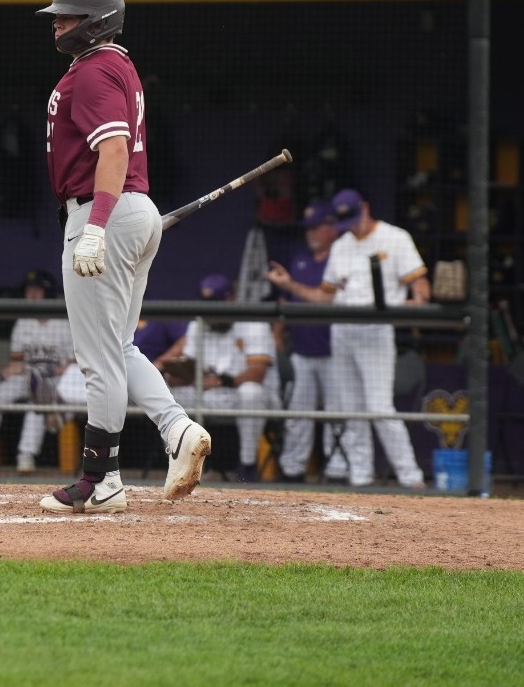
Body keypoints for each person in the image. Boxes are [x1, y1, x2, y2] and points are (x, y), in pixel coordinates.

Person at [34, 0, 211, 514]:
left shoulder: (92, 72)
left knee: (98, 359)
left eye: (68, 16)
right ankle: (177, 429)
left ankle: (100, 479)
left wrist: (96, 226)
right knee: (119, 349)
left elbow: (112, 149)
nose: (58, 23)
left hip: (104, 210)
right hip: (131, 210)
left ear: (95, 22)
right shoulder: (117, 65)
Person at [266, 187, 429, 488]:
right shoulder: (342, 245)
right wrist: (290, 285)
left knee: (379, 408)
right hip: (343, 331)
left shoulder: (396, 237)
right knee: (351, 409)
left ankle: (411, 477)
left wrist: (411, 303)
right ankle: (361, 476)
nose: (350, 227)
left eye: (353, 219)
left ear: (365, 208)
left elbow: (421, 288)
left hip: (376, 330)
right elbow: (324, 297)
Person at [0, 268, 76, 475]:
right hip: (27, 377)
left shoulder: (64, 321)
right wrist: (0, 377)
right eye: (29, 290)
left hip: (59, 380)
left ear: (49, 293)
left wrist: (50, 370)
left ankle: (26, 456)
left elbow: (75, 362)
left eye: (37, 290)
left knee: (38, 401)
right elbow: (17, 364)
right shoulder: (23, 322)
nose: (32, 295)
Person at [156, 274, 279, 482]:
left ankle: (247, 465)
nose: (211, 310)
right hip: (209, 393)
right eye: (206, 304)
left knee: (251, 392)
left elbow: (257, 373)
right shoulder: (199, 323)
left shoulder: (253, 322)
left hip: (252, 397)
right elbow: (191, 364)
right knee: (168, 397)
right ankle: (182, 465)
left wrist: (222, 382)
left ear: (231, 299)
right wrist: (181, 377)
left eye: (215, 304)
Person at [272, 200, 337, 481]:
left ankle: (338, 470)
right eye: (308, 229)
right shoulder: (299, 259)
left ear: (331, 228)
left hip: (335, 352)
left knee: (337, 414)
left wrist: (290, 284)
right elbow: (284, 303)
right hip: (302, 350)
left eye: (317, 228)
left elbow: (329, 300)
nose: (311, 233)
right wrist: (277, 336)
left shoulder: (340, 259)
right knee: (299, 415)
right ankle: (293, 469)